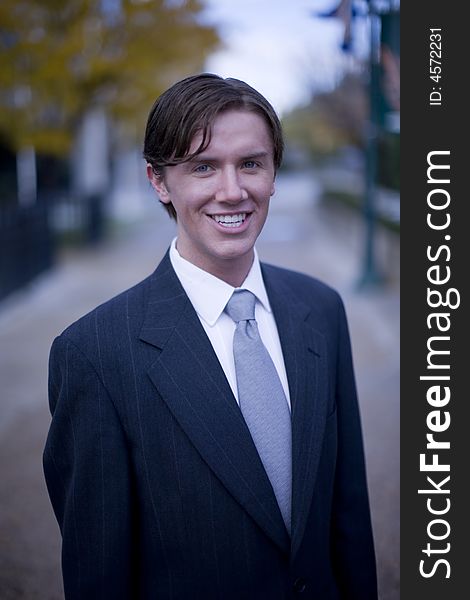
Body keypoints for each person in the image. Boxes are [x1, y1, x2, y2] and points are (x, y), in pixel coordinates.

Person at [43, 73, 377, 599]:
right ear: (158, 181)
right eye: (203, 166)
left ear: (273, 173)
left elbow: (348, 513)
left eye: (251, 163)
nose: (232, 190)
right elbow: (97, 572)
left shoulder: (321, 309)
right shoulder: (94, 354)